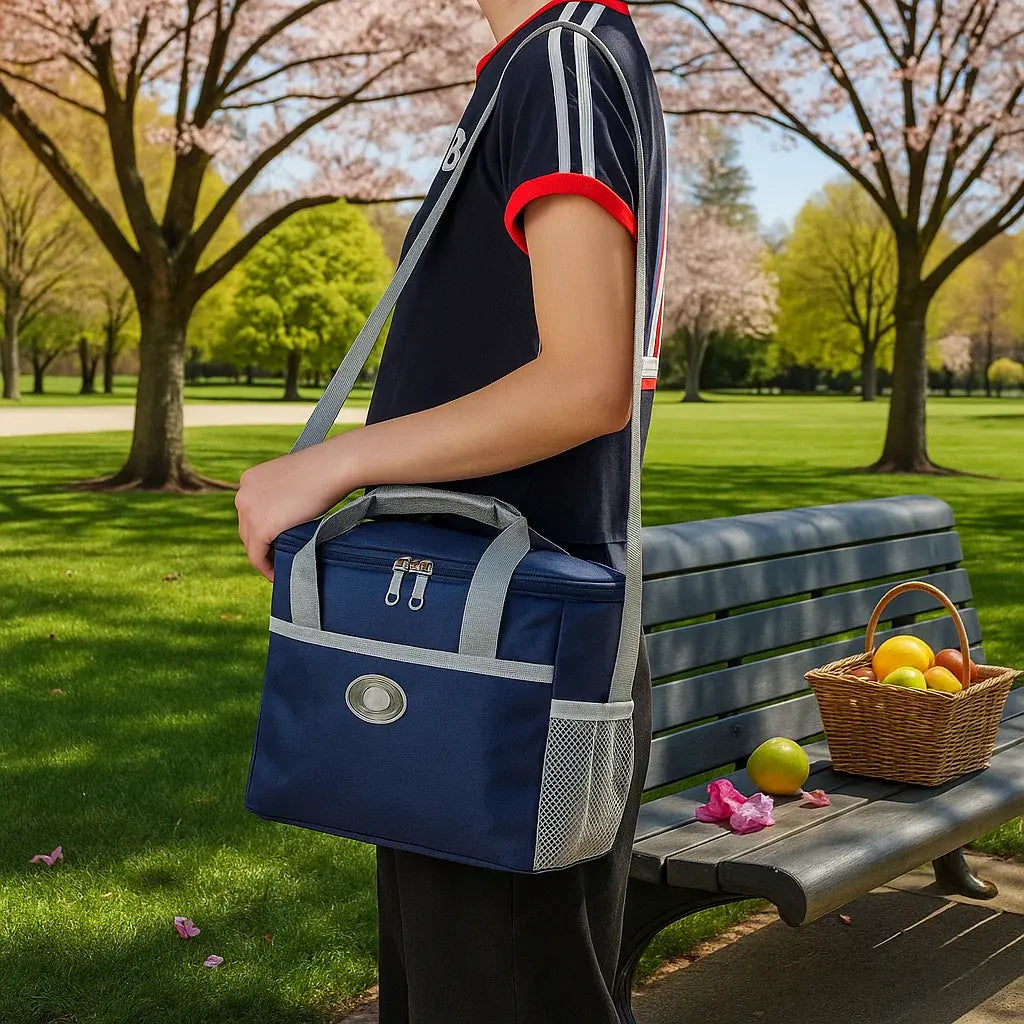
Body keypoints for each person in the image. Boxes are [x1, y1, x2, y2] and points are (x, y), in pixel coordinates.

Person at [235, 1, 668, 1020]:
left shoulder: (561, 59)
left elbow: (585, 381)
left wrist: (333, 464)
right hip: (479, 639)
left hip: (504, 659)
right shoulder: (548, 61)